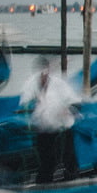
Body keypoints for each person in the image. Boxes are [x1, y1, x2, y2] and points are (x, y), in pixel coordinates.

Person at [19, 55, 81, 183]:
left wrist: (67, 109)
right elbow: (24, 103)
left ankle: (72, 183)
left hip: (63, 127)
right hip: (43, 128)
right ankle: (43, 186)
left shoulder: (59, 84)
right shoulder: (30, 84)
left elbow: (75, 102)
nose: (43, 76)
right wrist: (31, 106)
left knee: (68, 159)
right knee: (47, 161)